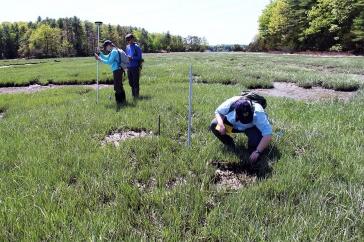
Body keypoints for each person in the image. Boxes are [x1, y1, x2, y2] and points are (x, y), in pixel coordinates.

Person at [210, 96, 272, 163]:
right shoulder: (230, 104)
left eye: (248, 119)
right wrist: (221, 124)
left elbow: (267, 134)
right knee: (215, 124)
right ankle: (229, 144)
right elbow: (218, 112)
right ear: (236, 113)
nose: (245, 121)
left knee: (256, 143)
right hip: (233, 126)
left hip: (250, 128)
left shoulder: (258, 113)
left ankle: (252, 150)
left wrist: (258, 151)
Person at [95, 40, 128, 105]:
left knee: (117, 86)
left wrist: (99, 59)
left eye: (105, 47)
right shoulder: (113, 51)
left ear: (109, 46)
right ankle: (123, 101)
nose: (105, 49)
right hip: (118, 70)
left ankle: (119, 102)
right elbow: (107, 57)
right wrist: (100, 53)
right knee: (119, 86)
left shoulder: (114, 52)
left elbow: (109, 62)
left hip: (117, 70)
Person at [125, 33, 143, 98]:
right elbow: (125, 55)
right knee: (130, 82)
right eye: (127, 40)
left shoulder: (137, 47)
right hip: (128, 67)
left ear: (132, 39)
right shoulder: (127, 47)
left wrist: (132, 58)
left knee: (135, 82)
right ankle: (133, 94)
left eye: (129, 40)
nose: (128, 41)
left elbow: (140, 58)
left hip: (135, 67)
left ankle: (136, 96)